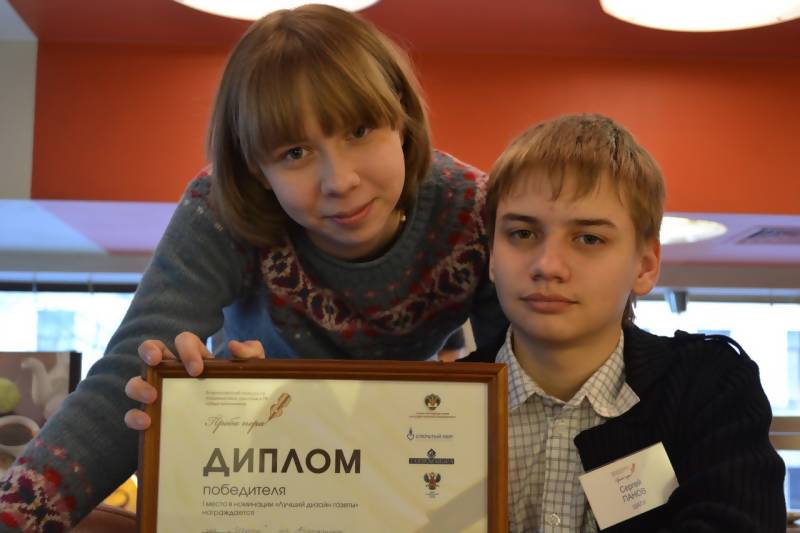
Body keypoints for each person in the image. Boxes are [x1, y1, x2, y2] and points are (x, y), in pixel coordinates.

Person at [0, 5, 506, 531]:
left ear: (401, 118)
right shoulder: (219, 207)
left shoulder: (476, 210)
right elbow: (130, 372)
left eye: (359, 131)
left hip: (404, 461)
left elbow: (514, 379)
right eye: (295, 153)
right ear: (257, 170)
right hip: (254, 467)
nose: (340, 181)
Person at [462, 114, 786, 531]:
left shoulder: (710, 388)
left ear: (645, 266)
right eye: (522, 234)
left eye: (589, 238)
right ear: (492, 256)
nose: (547, 266)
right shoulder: (434, 401)